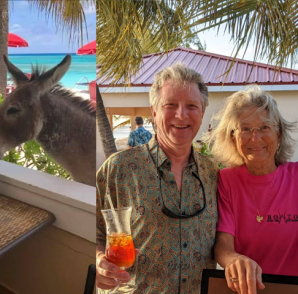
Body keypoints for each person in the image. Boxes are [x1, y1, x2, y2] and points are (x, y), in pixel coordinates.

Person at [95, 63, 218, 292]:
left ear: (202, 113)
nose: (181, 114)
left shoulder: (213, 174)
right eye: (170, 105)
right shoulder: (118, 169)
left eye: (191, 106)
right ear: (154, 111)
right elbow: (93, 231)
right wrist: (98, 260)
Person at [207, 86, 298, 293]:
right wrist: (233, 260)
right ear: (233, 138)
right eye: (245, 129)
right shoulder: (226, 180)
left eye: (264, 127)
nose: (255, 138)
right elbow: (223, 243)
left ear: (279, 133)